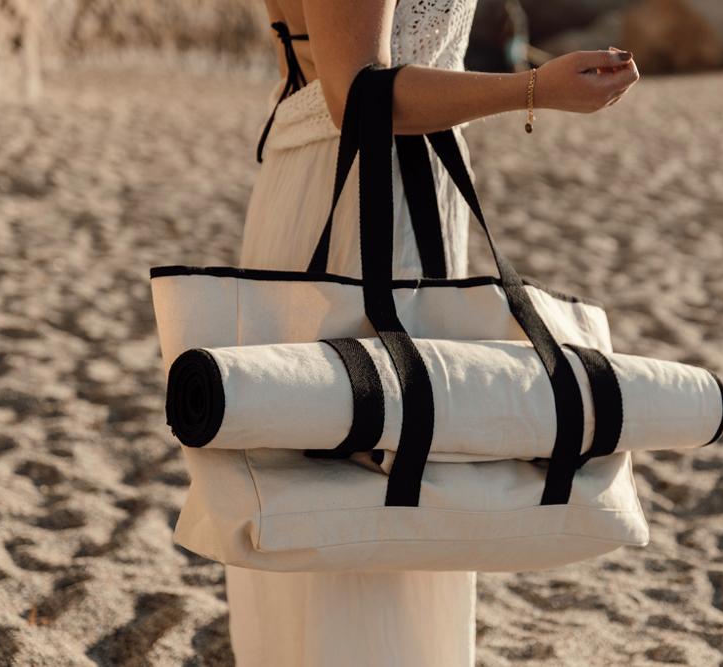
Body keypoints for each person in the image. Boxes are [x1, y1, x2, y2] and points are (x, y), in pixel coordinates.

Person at [228, 0, 640, 664]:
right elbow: (355, 92)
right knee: (344, 488)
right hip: (356, 192)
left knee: (408, 479)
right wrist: (534, 89)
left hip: (408, 186)